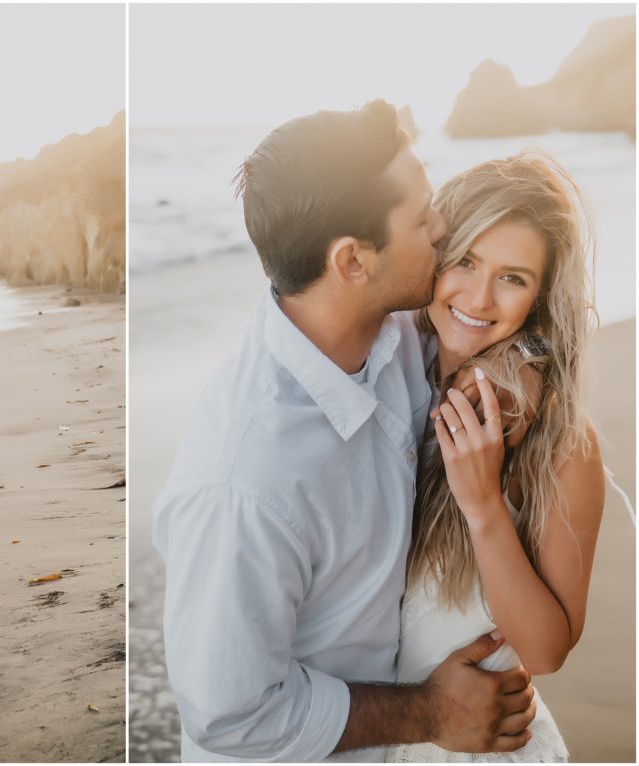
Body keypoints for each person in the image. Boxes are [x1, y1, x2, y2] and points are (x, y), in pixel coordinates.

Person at [152, 101, 537, 762]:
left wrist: (519, 370)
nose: (442, 227)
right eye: (422, 217)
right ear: (353, 260)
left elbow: (494, 329)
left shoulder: (390, 327)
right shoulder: (244, 481)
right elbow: (229, 714)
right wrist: (431, 712)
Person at [387, 154, 604, 762]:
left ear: (540, 296)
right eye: (465, 261)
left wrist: (483, 506)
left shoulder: (560, 439)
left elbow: (546, 651)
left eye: (513, 277)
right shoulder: (388, 377)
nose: (478, 298)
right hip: (382, 731)